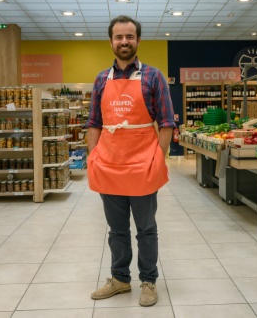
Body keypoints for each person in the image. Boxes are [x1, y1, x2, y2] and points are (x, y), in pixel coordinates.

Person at [85, 15, 175, 307]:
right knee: (117, 229)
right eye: (119, 37)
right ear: (111, 41)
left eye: (130, 36)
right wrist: (93, 156)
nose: (124, 42)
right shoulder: (102, 79)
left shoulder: (153, 76)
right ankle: (120, 279)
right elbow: (94, 124)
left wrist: (157, 159)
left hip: (142, 165)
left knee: (146, 228)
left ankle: (148, 281)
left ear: (138, 40)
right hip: (109, 165)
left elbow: (165, 123)